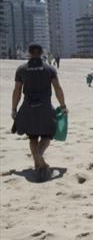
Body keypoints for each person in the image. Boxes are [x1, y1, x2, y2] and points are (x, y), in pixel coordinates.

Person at [10, 44, 67, 182]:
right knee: (48, 134)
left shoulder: (21, 69)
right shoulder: (49, 68)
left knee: (33, 137)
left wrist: (14, 109)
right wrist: (63, 105)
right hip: (45, 106)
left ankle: (37, 164)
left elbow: (17, 90)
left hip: (28, 107)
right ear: (42, 53)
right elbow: (57, 88)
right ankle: (39, 154)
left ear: (29, 53)